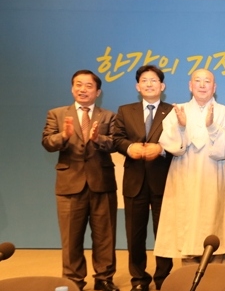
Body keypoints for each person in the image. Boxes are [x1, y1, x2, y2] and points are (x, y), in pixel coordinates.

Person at [42, 70, 119, 291]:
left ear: (98, 91)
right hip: (69, 184)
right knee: (70, 237)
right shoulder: (57, 114)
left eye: (88, 86)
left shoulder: (108, 116)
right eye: (78, 85)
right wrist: (63, 136)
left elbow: (115, 143)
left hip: (101, 183)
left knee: (105, 236)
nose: (82, 89)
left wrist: (98, 138)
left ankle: (104, 278)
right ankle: (73, 280)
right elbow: (47, 143)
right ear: (72, 88)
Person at [154, 69, 225, 265]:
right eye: (197, 81)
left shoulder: (224, 112)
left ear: (214, 87)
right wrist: (182, 127)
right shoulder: (178, 111)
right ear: (190, 85)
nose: (202, 85)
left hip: (214, 176)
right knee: (188, 227)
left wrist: (211, 126)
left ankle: (218, 276)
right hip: (185, 175)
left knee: (215, 225)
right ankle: (189, 274)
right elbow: (172, 147)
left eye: (207, 81)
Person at [113, 65, 173, 291]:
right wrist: (130, 148)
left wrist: (161, 149)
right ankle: (138, 279)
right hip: (134, 182)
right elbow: (117, 138)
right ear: (138, 86)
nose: (149, 84)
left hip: (163, 181)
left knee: (164, 235)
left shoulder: (172, 111)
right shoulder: (125, 111)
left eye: (154, 80)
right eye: (144, 81)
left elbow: (178, 140)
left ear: (162, 86)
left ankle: (163, 279)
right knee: (135, 235)